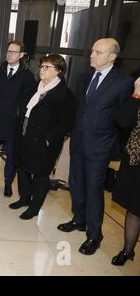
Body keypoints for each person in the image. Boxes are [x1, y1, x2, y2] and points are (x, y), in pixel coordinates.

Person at [58, 38, 133, 255]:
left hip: (100, 146)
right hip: (79, 141)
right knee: (77, 182)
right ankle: (78, 219)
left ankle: (94, 234)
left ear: (112, 57)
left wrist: (113, 144)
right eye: (92, 51)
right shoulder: (84, 76)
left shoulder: (122, 81)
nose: (92, 55)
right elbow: (82, 108)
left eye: (98, 52)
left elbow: (123, 118)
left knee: (93, 189)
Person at [11, 54, 75, 219]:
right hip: (25, 135)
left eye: (47, 67)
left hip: (44, 143)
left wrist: (48, 138)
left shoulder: (65, 95)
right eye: (42, 66)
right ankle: (24, 198)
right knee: (23, 168)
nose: (42, 70)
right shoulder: (36, 87)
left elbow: (66, 124)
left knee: (40, 175)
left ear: (58, 71)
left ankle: (34, 207)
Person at [0, 41, 37, 197]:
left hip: (14, 123)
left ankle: (8, 183)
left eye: (14, 52)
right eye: (8, 51)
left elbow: (30, 99)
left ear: (22, 55)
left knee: (11, 156)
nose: (9, 54)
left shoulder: (27, 75)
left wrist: (20, 113)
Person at [111, 77, 140, 266]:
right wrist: (136, 93)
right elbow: (123, 121)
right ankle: (127, 250)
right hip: (135, 157)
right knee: (135, 208)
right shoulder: (137, 94)